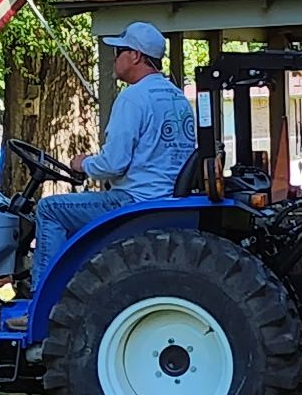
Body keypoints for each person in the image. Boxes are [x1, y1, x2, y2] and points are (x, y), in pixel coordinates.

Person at [30, 20, 196, 285]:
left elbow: (113, 164)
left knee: (50, 208)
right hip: (166, 199)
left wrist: (82, 163)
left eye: (119, 52)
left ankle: (43, 300)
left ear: (136, 56)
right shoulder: (178, 98)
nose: (114, 58)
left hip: (133, 201)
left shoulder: (134, 98)